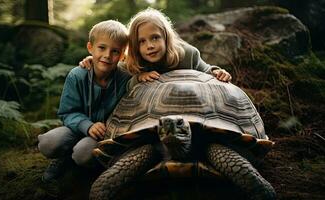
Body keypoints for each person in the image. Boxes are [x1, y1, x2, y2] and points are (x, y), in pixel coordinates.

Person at [38, 20, 131, 182]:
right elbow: (67, 112)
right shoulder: (77, 76)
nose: (107, 55)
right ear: (90, 48)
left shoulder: (125, 78)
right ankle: (63, 158)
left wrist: (143, 75)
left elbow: (142, 69)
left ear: (122, 55)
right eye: (102, 48)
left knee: (83, 154)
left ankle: (79, 166)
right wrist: (86, 125)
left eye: (115, 51)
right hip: (75, 128)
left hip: (102, 135)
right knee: (48, 143)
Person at [80, 8, 231, 87]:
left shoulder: (187, 54)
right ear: (134, 46)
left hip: (190, 105)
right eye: (141, 42)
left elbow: (205, 70)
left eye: (155, 38)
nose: (150, 46)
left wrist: (216, 71)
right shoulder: (134, 64)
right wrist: (92, 59)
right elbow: (119, 78)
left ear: (166, 37)